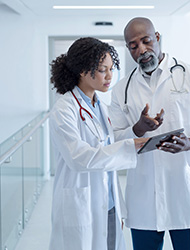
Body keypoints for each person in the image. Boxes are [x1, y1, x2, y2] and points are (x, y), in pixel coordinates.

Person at [109, 17, 190, 250]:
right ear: (128, 49)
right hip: (144, 197)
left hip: (185, 192)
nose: (141, 50)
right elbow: (113, 138)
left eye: (146, 41)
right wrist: (138, 129)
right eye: (133, 45)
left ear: (158, 38)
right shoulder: (121, 89)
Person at [48, 37, 148, 250]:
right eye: (103, 70)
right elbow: (79, 158)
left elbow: (108, 144)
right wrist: (130, 147)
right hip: (81, 203)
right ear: (84, 71)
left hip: (109, 203)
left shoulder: (99, 106)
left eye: (112, 69)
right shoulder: (64, 109)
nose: (110, 76)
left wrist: (137, 132)